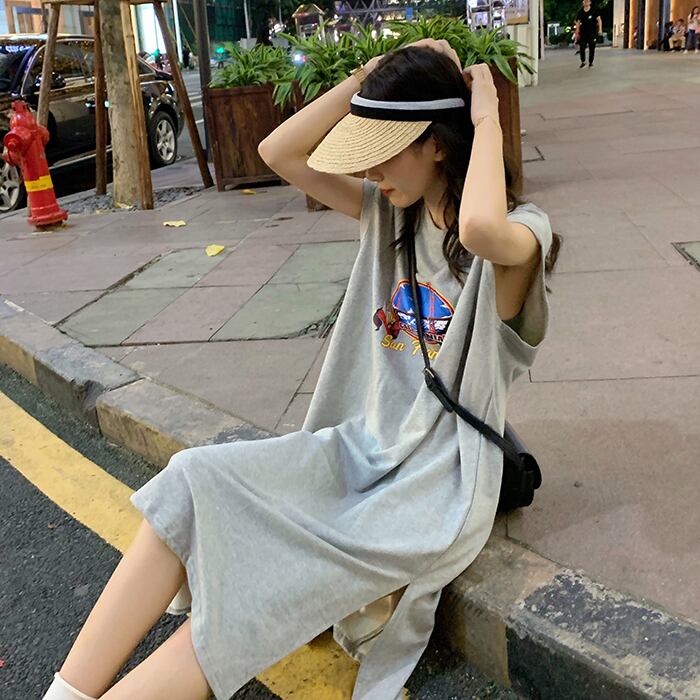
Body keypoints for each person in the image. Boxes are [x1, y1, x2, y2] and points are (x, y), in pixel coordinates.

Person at [40, 39, 561, 700]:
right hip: (357, 449)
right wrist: (368, 73)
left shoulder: (522, 237)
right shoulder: (389, 214)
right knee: (192, 479)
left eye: (385, 150)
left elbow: (481, 226)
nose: (370, 169)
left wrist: (485, 115)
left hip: (430, 487)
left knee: (253, 596)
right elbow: (279, 152)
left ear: (438, 144)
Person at [575, 0, 603, 67]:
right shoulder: (580, 12)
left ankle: (591, 61)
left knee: (592, 47)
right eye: (584, 1)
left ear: (590, 2)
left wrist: (600, 30)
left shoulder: (594, 11)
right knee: (582, 47)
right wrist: (577, 31)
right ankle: (583, 61)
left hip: (592, 32)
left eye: (587, 1)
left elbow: (599, 20)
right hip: (583, 32)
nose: (586, 3)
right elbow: (578, 22)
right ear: (583, 3)